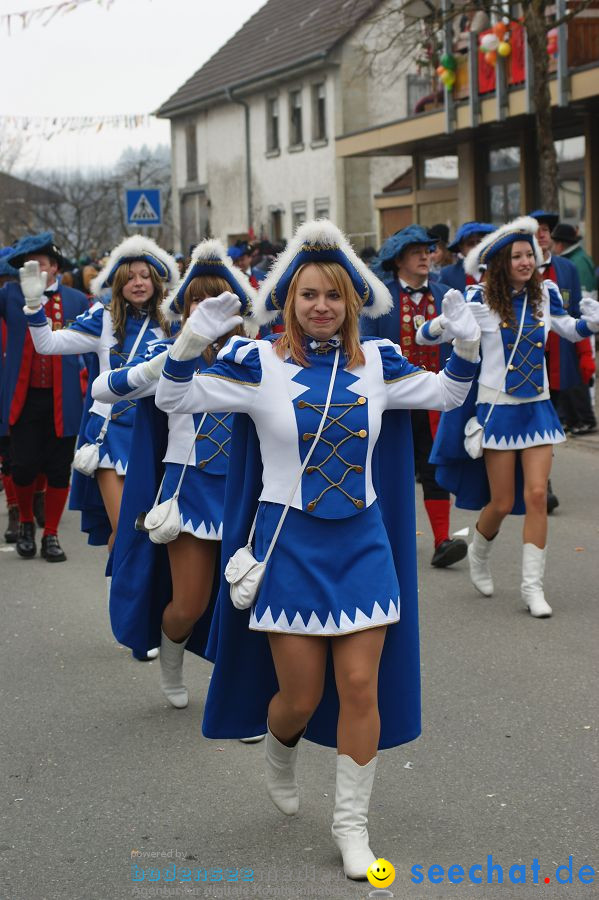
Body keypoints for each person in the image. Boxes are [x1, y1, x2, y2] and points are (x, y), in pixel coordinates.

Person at [155, 220, 481, 879]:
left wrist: (467, 350)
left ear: (351, 302)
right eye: (308, 294)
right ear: (289, 301)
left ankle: (351, 826)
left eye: (333, 295)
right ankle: (280, 748)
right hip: (288, 549)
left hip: (362, 545)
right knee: (298, 698)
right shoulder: (257, 363)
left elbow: (446, 393)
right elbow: (174, 395)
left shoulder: (378, 364)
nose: (321, 306)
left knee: (360, 685)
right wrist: (191, 341)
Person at [91, 240, 258, 707]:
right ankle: (171, 657)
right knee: (189, 604)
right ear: (183, 308)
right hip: (190, 493)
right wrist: (177, 355)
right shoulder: (169, 351)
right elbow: (105, 389)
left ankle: (241, 696)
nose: (206, 309)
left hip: (249, 494)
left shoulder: (256, 356)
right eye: (196, 301)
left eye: (217, 299)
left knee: (245, 604)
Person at [417, 216, 599, 618]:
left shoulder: (544, 296)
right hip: (497, 410)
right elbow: (424, 336)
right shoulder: (478, 301)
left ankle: (532, 588)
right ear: (500, 262)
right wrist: (446, 323)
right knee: (501, 501)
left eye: (529, 255)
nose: (525, 261)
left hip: (537, 409)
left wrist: (593, 322)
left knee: (536, 495)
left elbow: (570, 329)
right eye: (516, 256)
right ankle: (480, 554)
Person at [21, 235, 177, 554]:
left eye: (145, 276)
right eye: (130, 277)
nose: (137, 283)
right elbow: (47, 345)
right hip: (110, 436)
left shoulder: (172, 324)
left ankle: (124, 597)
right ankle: (120, 601)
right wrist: (35, 308)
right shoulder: (103, 319)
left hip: (155, 435)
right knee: (125, 531)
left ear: (157, 282)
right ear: (118, 283)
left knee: (144, 538)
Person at [365, 225, 468, 567]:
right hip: (392, 404)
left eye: (428, 251)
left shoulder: (445, 293)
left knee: (434, 468)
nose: (426, 256)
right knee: (389, 471)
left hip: (434, 399)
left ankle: (442, 541)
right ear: (398, 260)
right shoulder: (379, 300)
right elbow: (366, 347)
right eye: (416, 252)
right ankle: (382, 540)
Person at [0, 232, 89, 561]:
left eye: (42, 264)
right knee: (22, 467)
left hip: (63, 400)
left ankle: (50, 534)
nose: (36, 270)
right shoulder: (9, 294)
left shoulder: (77, 301)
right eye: (29, 265)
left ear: (55, 268)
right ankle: (25, 521)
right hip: (22, 399)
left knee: (58, 469)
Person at [530, 210, 587, 498]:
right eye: (537, 229)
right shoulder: (519, 269)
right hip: (526, 362)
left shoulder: (567, 269)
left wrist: (585, 357)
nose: (542, 234)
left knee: (548, 420)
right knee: (536, 420)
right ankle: (537, 481)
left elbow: (575, 313)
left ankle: (542, 481)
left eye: (546, 230)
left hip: (557, 359)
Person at [550, 222, 597, 435]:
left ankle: (584, 418)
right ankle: (571, 417)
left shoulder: (574, 262)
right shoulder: (572, 260)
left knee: (579, 374)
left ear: (560, 244)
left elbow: (584, 299)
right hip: (571, 324)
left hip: (582, 323)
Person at [440, 222, 496, 292]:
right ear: (461, 248)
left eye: (480, 242)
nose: (476, 247)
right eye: (470, 243)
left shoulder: (497, 269)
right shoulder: (448, 274)